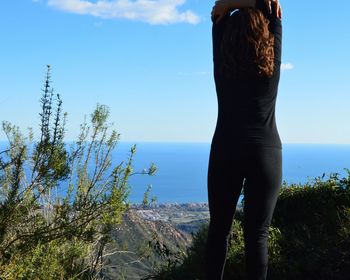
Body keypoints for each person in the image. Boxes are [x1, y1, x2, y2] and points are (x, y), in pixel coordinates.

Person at [204, 0, 283, 279]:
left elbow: (218, 11)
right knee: (257, 236)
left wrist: (233, 5)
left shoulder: (222, 65)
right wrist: (253, 5)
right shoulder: (271, 65)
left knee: (219, 232)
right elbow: (270, 6)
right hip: (266, 152)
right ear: (267, 34)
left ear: (227, 36)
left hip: (226, 148)